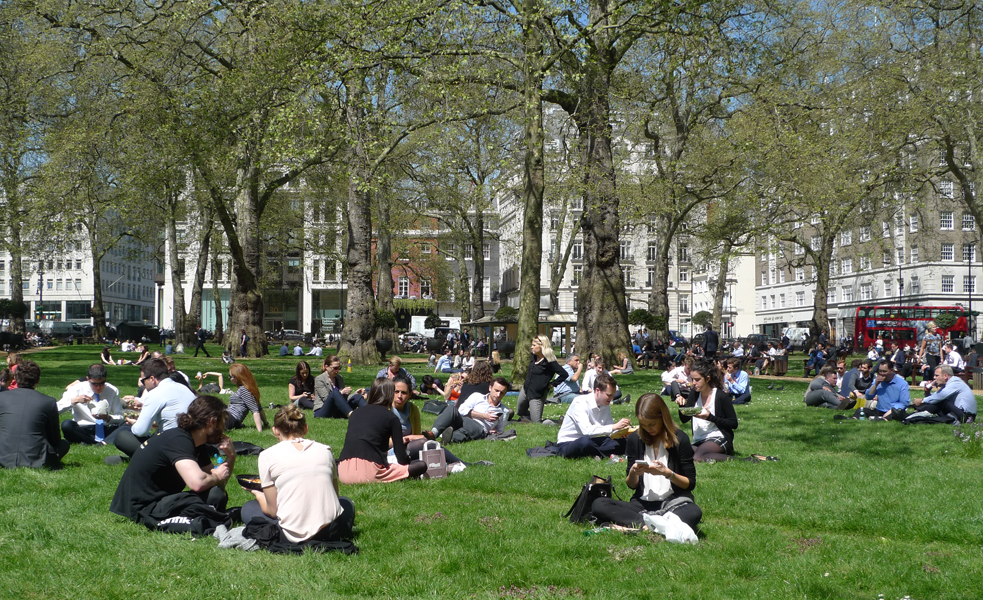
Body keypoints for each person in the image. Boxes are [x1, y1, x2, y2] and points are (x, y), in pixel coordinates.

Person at [109, 395, 234, 533]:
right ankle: (214, 518)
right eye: (222, 423)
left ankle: (212, 516)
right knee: (207, 504)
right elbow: (197, 483)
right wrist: (216, 476)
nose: (224, 428)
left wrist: (231, 457)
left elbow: (218, 484)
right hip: (144, 507)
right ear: (212, 422)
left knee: (216, 494)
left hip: (162, 500)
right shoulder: (179, 440)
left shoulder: (196, 442)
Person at [241, 404, 355, 543]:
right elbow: (335, 496)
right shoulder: (325, 450)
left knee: (249, 508)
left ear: (275, 431)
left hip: (292, 536)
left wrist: (258, 494)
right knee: (346, 503)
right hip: (330, 531)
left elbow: (273, 511)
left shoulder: (266, 456)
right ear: (305, 428)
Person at [590, 394, 702, 532]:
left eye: (652, 424)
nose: (649, 429)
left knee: (694, 512)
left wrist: (668, 473)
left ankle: (639, 526)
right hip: (642, 505)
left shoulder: (680, 439)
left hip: (673, 503)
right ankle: (651, 526)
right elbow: (632, 485)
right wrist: (633, 473)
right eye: (643, 425)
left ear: (663, 417)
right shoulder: (634, 439)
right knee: (599, 504)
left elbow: (690, 484)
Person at [337, 378, 427, 484]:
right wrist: (409, 462)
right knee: (421, 465)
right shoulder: (391, 418)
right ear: (390, 394)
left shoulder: (355, 413)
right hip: (371, 473)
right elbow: (401, 458)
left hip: (343, 470)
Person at [112, 358, 197, 459]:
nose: (143, 384)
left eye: (143, 380)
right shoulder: (183, 388)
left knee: (122, 437)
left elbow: (140, 431)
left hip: (172, 447)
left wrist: (134, 423)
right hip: (193, 444)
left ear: (152, 378)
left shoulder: (155, 393)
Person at [0, 360, 70, 468]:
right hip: (36, 459)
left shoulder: (2, 398)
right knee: (64, 444)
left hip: (3, 456)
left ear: (16, 379)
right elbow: (54, 438)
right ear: (38, 380)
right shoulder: (48, 402)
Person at [675, 358, 740, 463]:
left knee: (697, 457)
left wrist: (710, 417)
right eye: (692, 379)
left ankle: (743, 460)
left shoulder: (720, 396)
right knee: (679, 452)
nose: (694, 383)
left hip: (718, 436)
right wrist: (681, 405)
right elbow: (684, 419)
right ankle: (710, 456)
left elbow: (733, 423)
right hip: (699, 440)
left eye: (697, 379)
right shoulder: (694, 394)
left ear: (707, 378)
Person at [555, 373, 631, 459]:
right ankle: (601, 453)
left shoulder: (605, 405)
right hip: (569, 442)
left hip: (593, 440)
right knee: (585, 442)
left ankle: (594, 454)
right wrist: (614, 427)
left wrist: (620, 432)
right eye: (609, 395)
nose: (612, 398)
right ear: (598, 390)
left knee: (624, 442)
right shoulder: (579, 402)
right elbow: (587, 431)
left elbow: (609, 430)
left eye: (613, 395)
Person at [57, 364, 125, 445]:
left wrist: (108, 418)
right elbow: (56, 409)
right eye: (94, 384)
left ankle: (89, 442)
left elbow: (120, 416)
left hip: (105, 427)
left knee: (126, 426)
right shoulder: (76, 389)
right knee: (66, 425)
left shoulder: (112, 390)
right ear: (87, 379)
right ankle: (102, 441)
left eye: (102, 383)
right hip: (83, 428)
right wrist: (74, 401)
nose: (98, 387)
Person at [431, 377, 511, 444]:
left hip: (479, 427)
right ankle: (433, 433)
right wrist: (484, 416)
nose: (498, 395)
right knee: (452, 409)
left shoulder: (504, 410)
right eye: (496, 390)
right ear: (490, 388)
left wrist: (495, 432)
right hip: (463, 419)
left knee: (466, 430)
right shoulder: (477, 396)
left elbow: (500, 431)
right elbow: (461, 410)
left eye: (502, 393)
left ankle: (446, 440)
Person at [515, 335, 568, 424]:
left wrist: (553, 384)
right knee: (520, 412)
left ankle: (559, 422)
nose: (532, 347)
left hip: (537, 394)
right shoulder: (534, 356)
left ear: (542, 346)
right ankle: (529, 418)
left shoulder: (550, 361)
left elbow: (564, 374)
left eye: (534, 345)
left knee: (537, 422)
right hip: (526, 389)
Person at [910, 365, 977, 423]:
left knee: (943, 402)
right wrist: (927, 392)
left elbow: (939, 397)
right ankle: (916, 414)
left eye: (937, 375)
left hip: (966, 416)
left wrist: (922, 400)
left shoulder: (955, 383)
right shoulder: (947, 384)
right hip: (958, 413)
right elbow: (935, 398)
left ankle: (917, 414)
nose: (934, 378)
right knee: (939, 402)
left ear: (945, 376)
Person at [226, 364, 267, 431]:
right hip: (229, 417)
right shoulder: (246, 389)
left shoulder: (244, 390)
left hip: (231, 418)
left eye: (230, 376)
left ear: (237, 377)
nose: (229, 378)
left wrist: (260, 431)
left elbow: (255, 411)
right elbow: (259, 408)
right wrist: (266, 423)